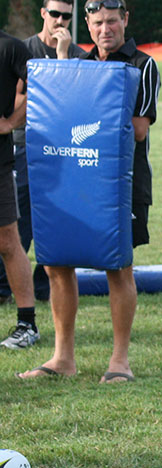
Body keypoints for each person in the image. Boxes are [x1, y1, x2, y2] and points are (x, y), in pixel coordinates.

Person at [17, 0, 159, 382]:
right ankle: (63, 358)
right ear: (88, 23)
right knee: (57, 264)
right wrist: (64, 59)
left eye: (112, 21)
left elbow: (139, 129)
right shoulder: (77, 63)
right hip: (73, 177)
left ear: (125, 20)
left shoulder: (142, 65)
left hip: (123, 184)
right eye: (97, 23)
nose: (105, 29)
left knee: (118, 267)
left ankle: (120, 361)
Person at [0, 0, 86, 307]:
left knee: (58, 220)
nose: (60, 20)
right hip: (25, 146)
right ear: (43, 14)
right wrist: (10, 123)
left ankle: (43, 284)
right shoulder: (24, 48)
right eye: (55, 14)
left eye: (66, 16)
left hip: (63, 149)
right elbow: (19, 95)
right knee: (16, 224)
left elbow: (76, 102)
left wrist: (62, 57)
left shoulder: (77, 55)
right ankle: (3, 287)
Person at [0, 31, 40, 350]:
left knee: (8, 241)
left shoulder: (10, 47)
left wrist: (11, 121)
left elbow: (42, 87)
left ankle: (27, 324)